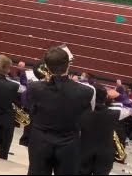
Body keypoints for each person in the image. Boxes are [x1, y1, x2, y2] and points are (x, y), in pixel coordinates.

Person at [27, 46, 95, 175]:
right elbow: (86, 121)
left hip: (40, 143)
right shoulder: (87, 92)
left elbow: (32, 111)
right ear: (68, 65)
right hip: (69, 146)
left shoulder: (34, 88)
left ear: (46, 66)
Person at [80, 85, 126, 175]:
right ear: (106, 98)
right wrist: (120, 96)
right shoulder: (115, 113)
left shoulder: (80, 112)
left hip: (83, 151)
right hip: (105, 154)